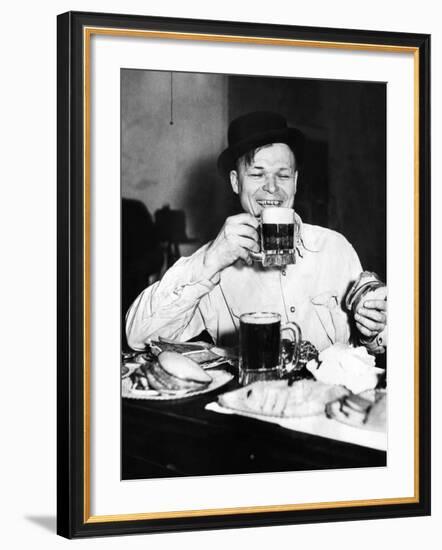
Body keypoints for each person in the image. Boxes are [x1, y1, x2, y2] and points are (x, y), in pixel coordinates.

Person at [126, 111, 387, 354]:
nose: (272, 188)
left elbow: (375, 345)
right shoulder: (214, 262)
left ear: (295, 182)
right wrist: (209, 261)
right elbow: (137, 337)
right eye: (257, 174)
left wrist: (371, 329)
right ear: (235, 182)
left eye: (282, 176)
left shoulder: (335, 248)